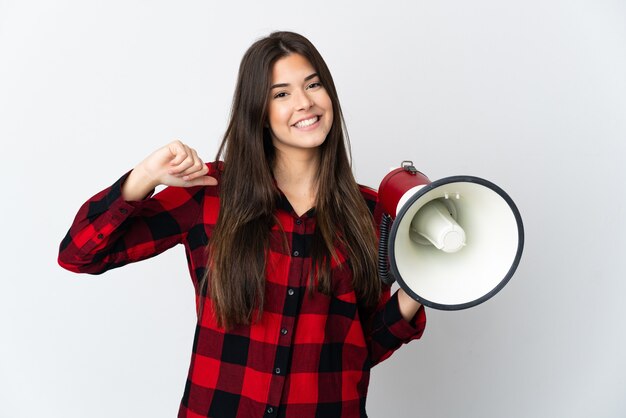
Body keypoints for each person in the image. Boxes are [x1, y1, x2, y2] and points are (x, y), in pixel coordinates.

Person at [58, 31, 426, 418]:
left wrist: (422, 286)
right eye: (281, 94)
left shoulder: (370, 212)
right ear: (259, 113)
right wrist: (145, 177)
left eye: (313, 84)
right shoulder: (209, 193)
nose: (304, 103)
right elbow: (80, 254)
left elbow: (358, 351)